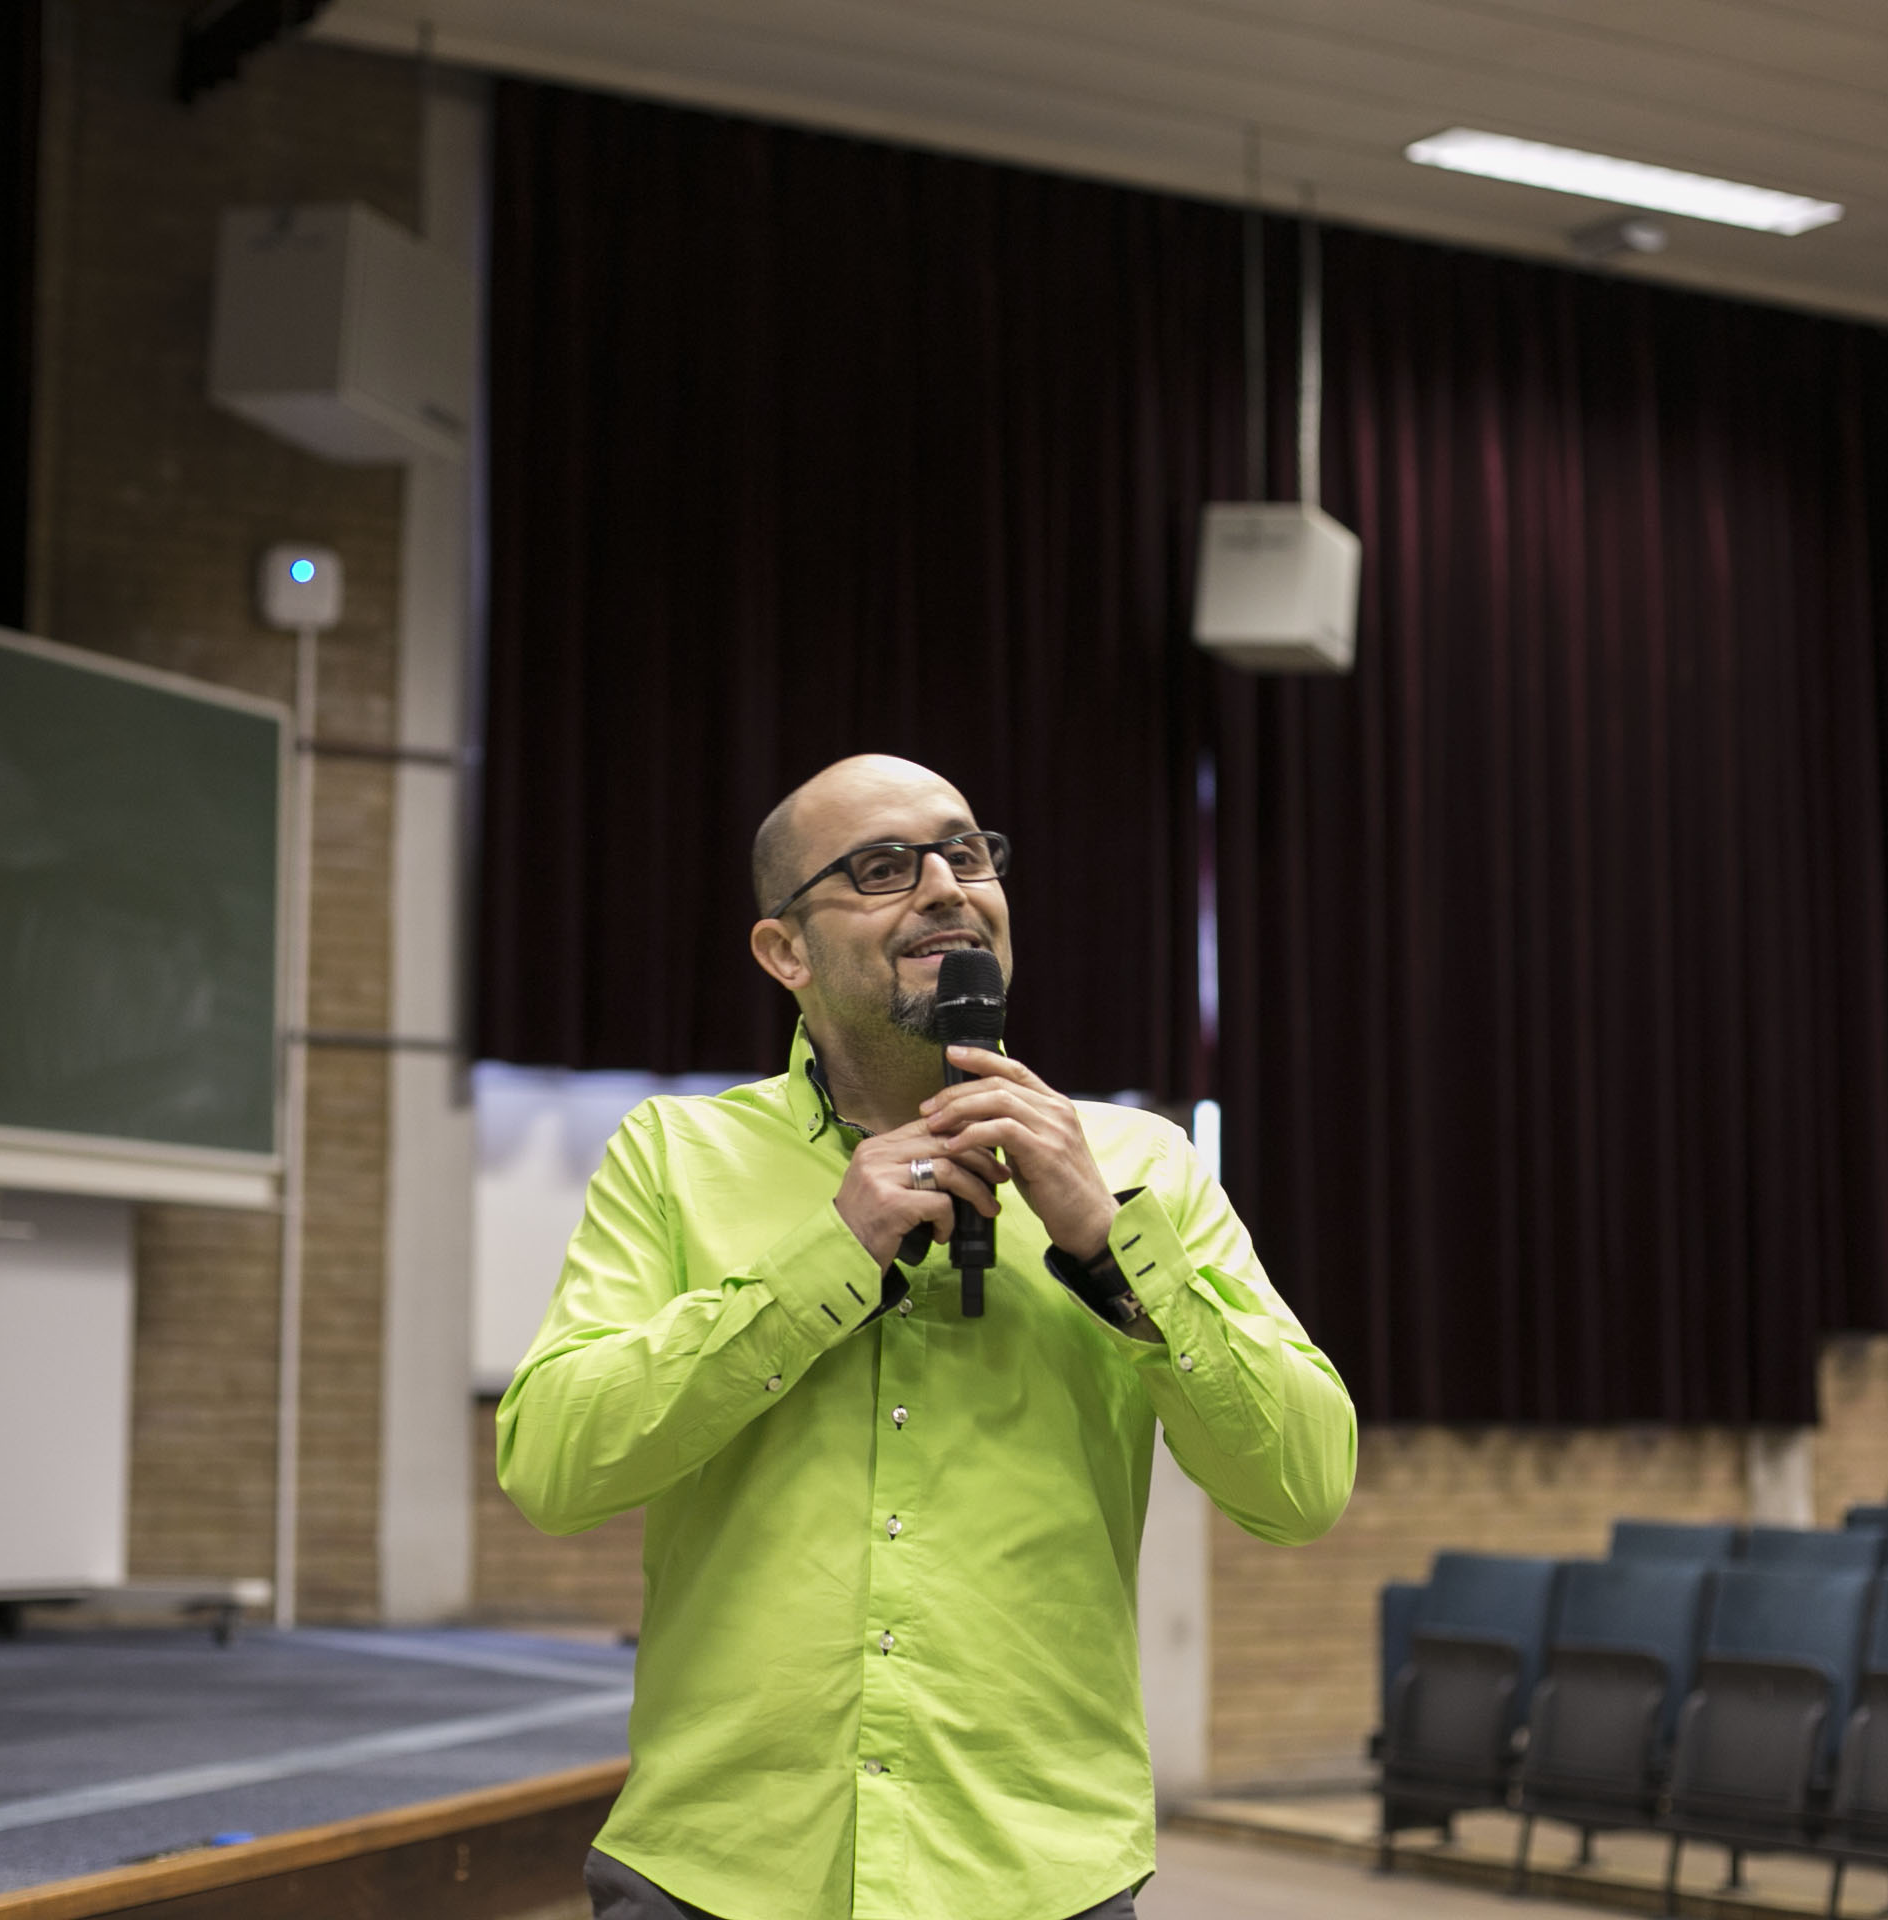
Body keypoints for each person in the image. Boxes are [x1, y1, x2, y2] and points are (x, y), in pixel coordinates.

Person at [497, 755, 1359, 1920]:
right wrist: (832, 1254)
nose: (950, 888)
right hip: (721, 1871)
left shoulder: (1142, 1169)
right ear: (784, 953)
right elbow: (554, 1465)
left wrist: (1109, 1248)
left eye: (968, 855)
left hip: (1034, 1874)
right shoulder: (672, 1155)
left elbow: (1302, 1485)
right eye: (885, 868)